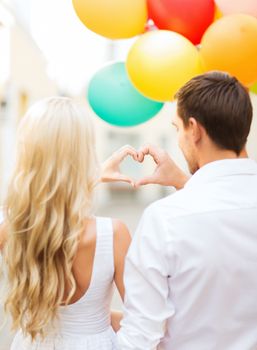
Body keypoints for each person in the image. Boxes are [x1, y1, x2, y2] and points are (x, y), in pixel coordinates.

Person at [117, 71, 257, 349]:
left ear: (194, 129)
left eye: (177, 128)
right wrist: (184, 181)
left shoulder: (165, 220)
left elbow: (140, 337)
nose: (179, 140)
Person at [0, 97, 133, 349]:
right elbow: (143, 322)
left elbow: (49, 211)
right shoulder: (113, 234)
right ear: (85, 155)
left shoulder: (10, 225)